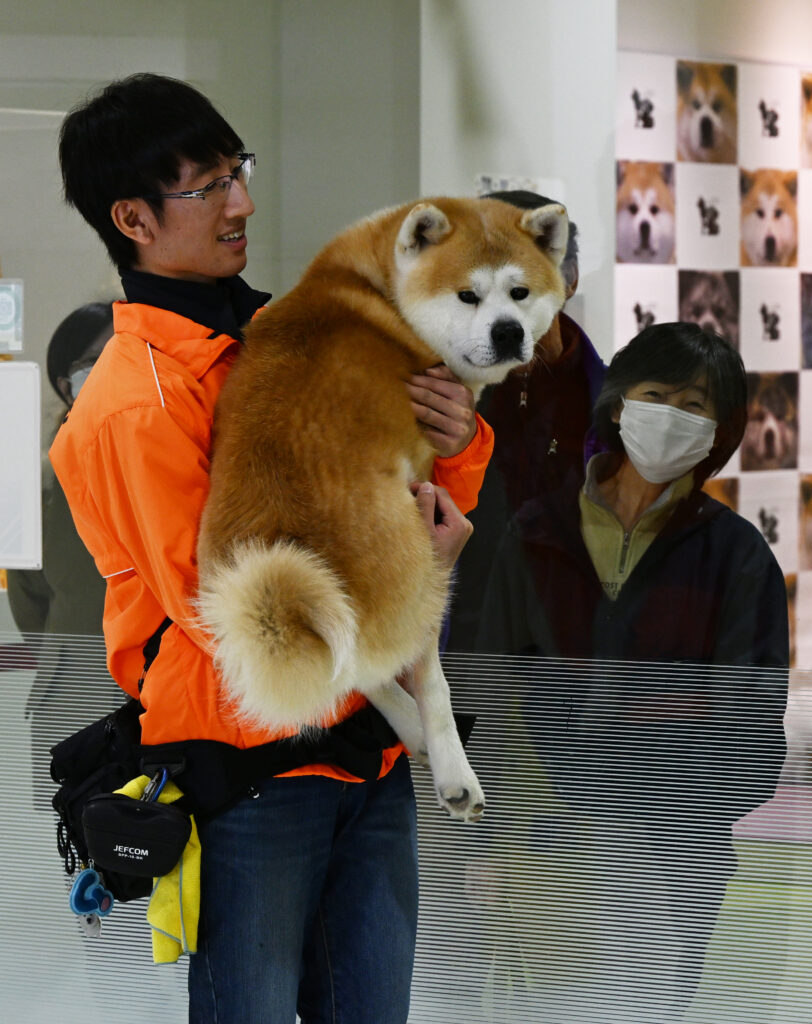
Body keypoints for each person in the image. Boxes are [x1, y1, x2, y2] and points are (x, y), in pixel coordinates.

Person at [50, 72, 493, 1024]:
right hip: (254, 770)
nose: (243, 201)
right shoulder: (134, 403)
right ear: (132, 216)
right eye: (207, 186)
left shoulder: (291, 331)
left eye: (239, 170)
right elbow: (227, 610)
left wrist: (457, 445)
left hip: (369, 754)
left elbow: (407, 491)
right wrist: (410, 574)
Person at [475, 322, 789, 1020]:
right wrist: (482, 844)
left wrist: (661, 826)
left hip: (675, 859)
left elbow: (751, 731)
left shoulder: (737, 558)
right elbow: (490, 699)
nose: (675, 416)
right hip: (543, 850)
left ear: (719, 432)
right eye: (658, 394)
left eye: (699, 406)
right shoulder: (533, 534)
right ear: (619, 404)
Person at [445, 189, 606, 653]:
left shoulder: (621, 408)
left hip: (580, 672)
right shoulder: (437, 403)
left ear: (568, 277)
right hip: (464, 668)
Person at [7, 302, 118, 809]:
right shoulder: (46, 477)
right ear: (63, 380)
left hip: (162, 694)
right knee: (88, 863)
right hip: (75, 690)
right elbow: (28, 595)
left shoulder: (168, 451)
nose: (110, 366)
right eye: (93, 359)